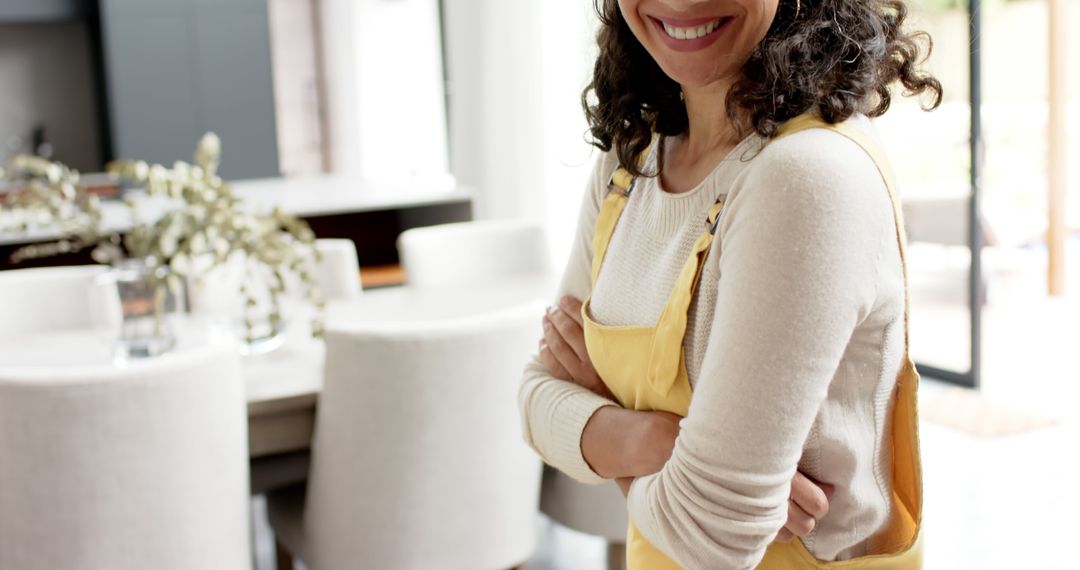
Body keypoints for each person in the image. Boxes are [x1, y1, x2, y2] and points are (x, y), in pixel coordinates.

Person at [518, 0, 942, 568]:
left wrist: (598, 413)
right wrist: (660, 446)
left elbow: (710, 535)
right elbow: (533, 398)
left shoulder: (807, 176)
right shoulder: (629, 166)